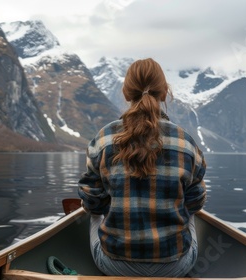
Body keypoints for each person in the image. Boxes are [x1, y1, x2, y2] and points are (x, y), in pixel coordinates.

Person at [78, 58, 206, 277]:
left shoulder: (104, 138)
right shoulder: (186, 142)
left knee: (93, 214)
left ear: (127, 93)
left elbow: (92, 201)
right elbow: (196, 202)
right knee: (191, 213)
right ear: (164, 92)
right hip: (174, 266)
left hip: (114, 265)